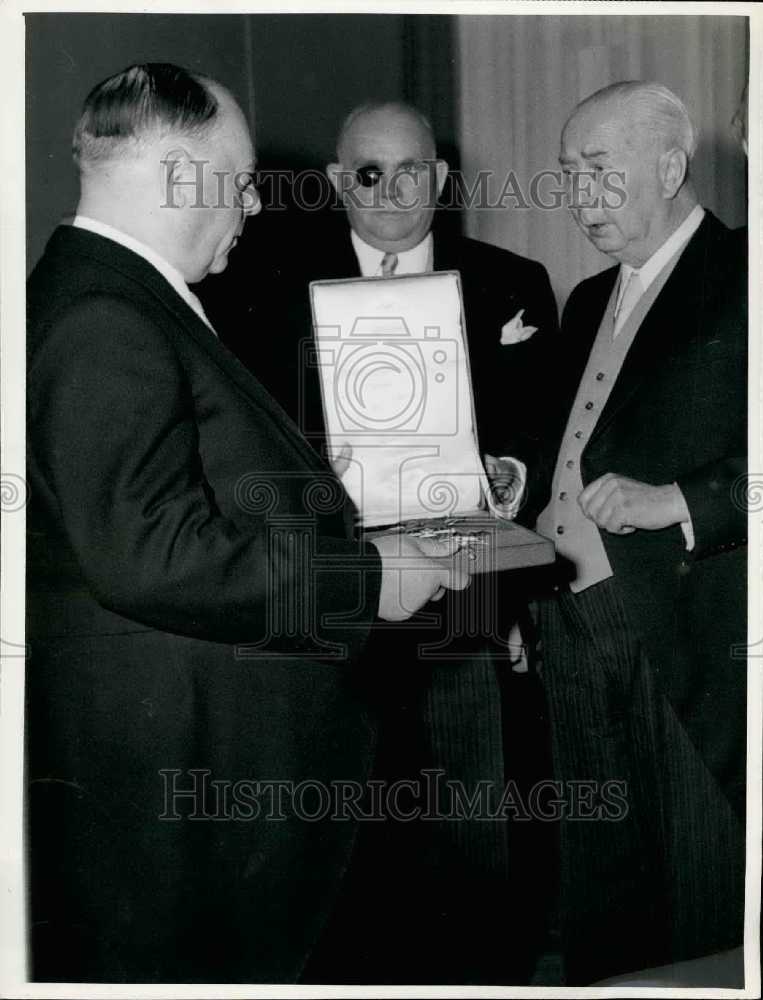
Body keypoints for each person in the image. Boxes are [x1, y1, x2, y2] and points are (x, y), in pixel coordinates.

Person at [25, 63, 469, 984]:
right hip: (184, 795)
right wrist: (371, 583)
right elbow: (149, 554)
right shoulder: (105, 316)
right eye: (240, 182)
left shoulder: (110, 296)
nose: (254, 210)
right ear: (178, 177)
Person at [198, 100, 560, 984]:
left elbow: (537, 431)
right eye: (368, 172)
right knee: (344, 844)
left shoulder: (512, 282)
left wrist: (504, 478)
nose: (391, 190)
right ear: (334, 182)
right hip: (333, 600)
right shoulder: (264, 287)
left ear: (439, 178)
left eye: (410, 171)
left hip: (462, 599)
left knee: (473, 829)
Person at [524, 80, 747, 985]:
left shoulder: (744, 276)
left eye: (598, 172)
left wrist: (679, 500)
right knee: (600, 880)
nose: (578, 195)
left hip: (679, 626)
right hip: (567, 622)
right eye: (568, 175)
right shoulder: (582, 301)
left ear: (668, 167)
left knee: (696, 889)